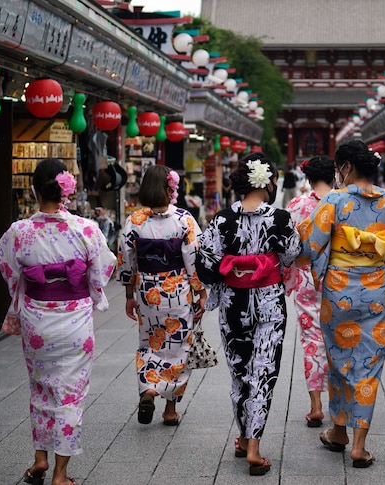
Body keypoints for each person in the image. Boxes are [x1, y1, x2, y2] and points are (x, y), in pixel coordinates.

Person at [0, 159, 116, 485]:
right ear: (66, 190)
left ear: (35, 190)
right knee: (71, 394)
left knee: (41, 388)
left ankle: (39, 460)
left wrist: (27, 284)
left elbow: (7, 265)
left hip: (37, 319)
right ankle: (61, 474)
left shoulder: (19, 232)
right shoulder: (86, 229)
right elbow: (105, 267)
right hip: (75, 319)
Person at [299, 139, 385, 469]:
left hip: (338, 292)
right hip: (375, 292)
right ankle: (359, 444)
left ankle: (339, 431)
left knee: (339, 359)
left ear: (347, 167)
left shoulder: (334, 200)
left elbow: (309, 245)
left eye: (339, 169)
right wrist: (376, 271)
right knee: (369, 365)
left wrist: (323, 269)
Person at [195, 152, 300, 476]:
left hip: (233, 303)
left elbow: (206, 266)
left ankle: (244, 437)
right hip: (269, 301)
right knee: (264, 369)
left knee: (240, 369)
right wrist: (265, 263)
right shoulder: (280, 218)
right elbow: (293, 252)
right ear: (268, 183)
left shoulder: (222, 219)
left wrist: (231, 269)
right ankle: (253, 446)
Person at [117, 165, 207, 426]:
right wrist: (200, 290)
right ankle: (170, 409)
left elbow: (126, 260)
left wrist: (128, 293)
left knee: (149, 342)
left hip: (147, 290)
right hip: (177, 289)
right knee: (178, 347)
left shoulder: (134, 221)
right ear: (170, 188)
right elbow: (193, 259)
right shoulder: (183, 219)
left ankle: (148, 388)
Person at [283, 156, 336, 428]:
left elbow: (289, 248)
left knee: (312, 340)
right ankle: (340, 407)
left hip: (307, 280)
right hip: (342, 279)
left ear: (308, 178)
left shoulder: (297, 205)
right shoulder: (345, 203)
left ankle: (316, 407)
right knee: (339, 339)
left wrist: (286, 276)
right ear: (336, 174)